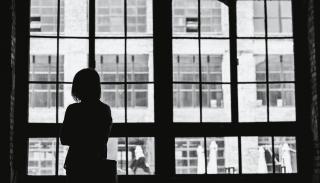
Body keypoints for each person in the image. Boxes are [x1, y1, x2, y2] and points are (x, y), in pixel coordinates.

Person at [60, 68, 113, 183]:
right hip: (97, 163)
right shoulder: (104, 110)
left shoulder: (73, 110)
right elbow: (102, 139)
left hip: (76, 163)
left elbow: (64, 139)